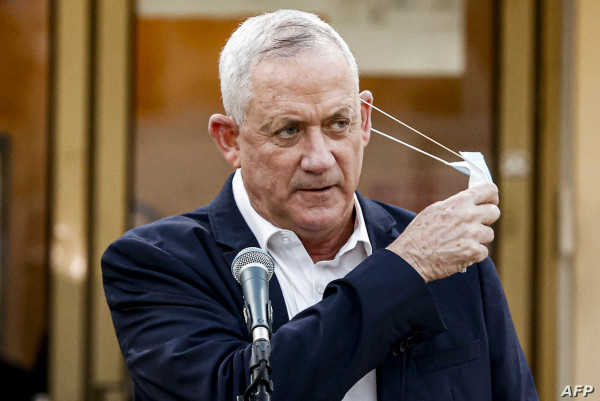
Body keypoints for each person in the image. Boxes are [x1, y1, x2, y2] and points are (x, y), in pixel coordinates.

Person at [101, 9, 538, 401]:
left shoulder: (450, 258)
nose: (320, 159)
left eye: (337, 124)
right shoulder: (157, 262)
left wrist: (416, 262)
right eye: (289, 130)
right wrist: (405, 270)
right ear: (230, 139)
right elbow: (238, 390)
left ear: (364, 121)